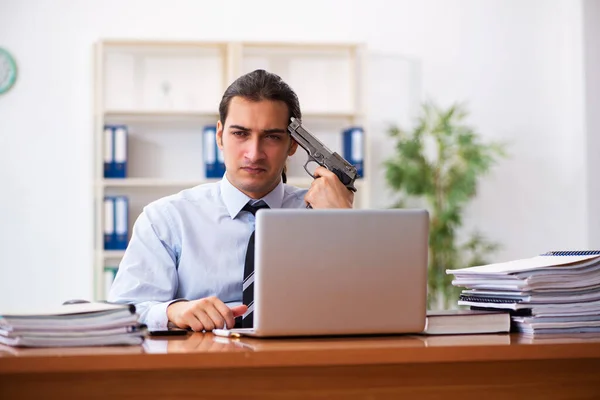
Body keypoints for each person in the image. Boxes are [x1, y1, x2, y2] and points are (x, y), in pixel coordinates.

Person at [108, 69, 354, 332]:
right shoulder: (166, 219)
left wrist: (343, 226)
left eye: (271, 137)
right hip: (205, 365)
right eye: (240, 134)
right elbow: (124, 311)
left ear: (293, 145)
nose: (254, 153)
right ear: (219, 135)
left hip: (303, 362)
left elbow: (367, 305)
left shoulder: (325, 214)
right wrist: (173, 311)